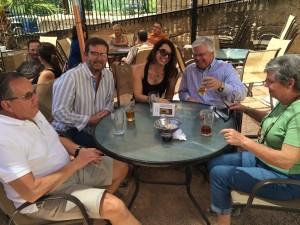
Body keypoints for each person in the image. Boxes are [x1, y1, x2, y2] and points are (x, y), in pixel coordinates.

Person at [0, 72, 141, 225]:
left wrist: (79, 150)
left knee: (120, 166)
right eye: (28, 96)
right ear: (7, 105)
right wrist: (76, 163)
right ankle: (105, 210)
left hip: (67, 172)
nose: (36, 98)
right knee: (115, 207)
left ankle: (95, 215)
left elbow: (55, 138)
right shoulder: (4, 139)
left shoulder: (29, 112)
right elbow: (32, 192)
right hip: (43, 199)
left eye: (33, 92)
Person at [208, 54, 300, 225]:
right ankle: (226, 204)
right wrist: (246, 109)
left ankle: (223, 218)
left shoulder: (298, 114)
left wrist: (244, 141)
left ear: (290, 83)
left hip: (286, 179)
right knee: (214, 162)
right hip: (264, 161)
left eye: (270, 81)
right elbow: (275, 122)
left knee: (218, 174)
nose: (266, 84)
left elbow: (286, 161)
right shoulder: (288, 99)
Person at [52, 37, 115, 149]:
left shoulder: (108, 75)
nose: (99, 58)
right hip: (70, 131)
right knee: (107, 148)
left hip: (98, 127)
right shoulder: (71, 78)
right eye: (94, 53)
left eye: (103, 55)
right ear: (85, 55)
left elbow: (109, 100)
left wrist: (105, 112)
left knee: (122, 140)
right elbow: (59, 113)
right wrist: (88, 120)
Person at [178, 36, 246, 109]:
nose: (197, 58)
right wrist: (187, 98)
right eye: (195, 55)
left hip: (220, 112)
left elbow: (242, 94)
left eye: (201, 54)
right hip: (195, 111)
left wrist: (221, 86)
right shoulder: (189, 70)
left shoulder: (225, 68)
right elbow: (182, 92)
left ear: (212, 53)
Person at [132, 39, 178, 103]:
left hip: (157, 109)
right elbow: (138, 97)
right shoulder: (139, 69)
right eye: (163, 52)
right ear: (155, 51)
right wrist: (156, 100)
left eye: (169, 54)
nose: (166, 56)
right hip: (139, 107)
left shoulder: (172, 73)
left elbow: (169, 97)